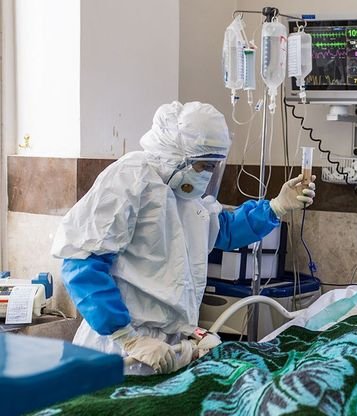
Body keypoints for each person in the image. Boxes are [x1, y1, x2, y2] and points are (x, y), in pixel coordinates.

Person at [51, 101, 317, 375]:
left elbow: (224, 230)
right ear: (176, 156)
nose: (208, 175)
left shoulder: (187, 195)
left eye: (213, 166)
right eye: (204, 166)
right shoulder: (130, 179)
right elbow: (81, 263)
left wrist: (276, 207)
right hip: (119, 347)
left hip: (171, 348)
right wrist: (128, 337)